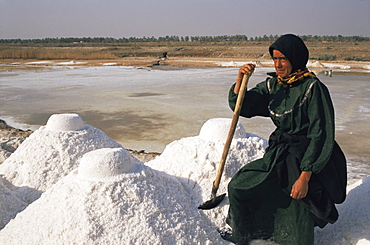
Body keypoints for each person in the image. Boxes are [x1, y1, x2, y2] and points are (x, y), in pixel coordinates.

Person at [220, 34, 347, 245]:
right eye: (275, 59)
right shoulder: (274, 86)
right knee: (240, 185)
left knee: (298, 200)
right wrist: (240, 81)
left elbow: (320, 134)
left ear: (295, 59)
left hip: (306, 155)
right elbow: (245, 105)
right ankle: (247, 234)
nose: (278, 64)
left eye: (283, 59)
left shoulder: (313, 89)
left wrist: (305, 176)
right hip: (281, 151)